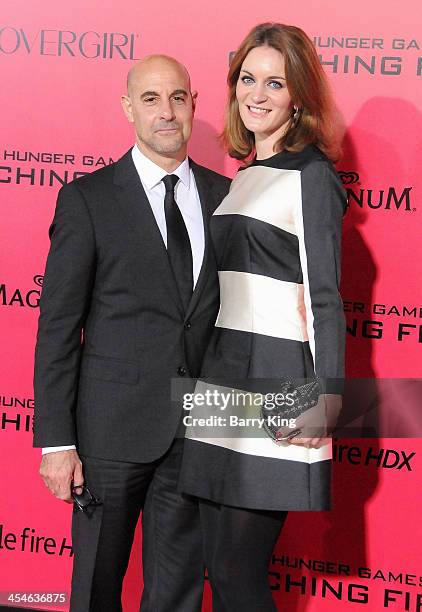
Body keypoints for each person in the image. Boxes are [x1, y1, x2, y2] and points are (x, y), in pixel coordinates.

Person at [33, 54, 230, 612]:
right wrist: (57, 442)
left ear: (194, 104)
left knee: (178, 590)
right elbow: (57, 328)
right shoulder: (89, 199)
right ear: (128, 108)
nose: (166, 112)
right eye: (150, 99)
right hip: (108, 435)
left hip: (196, 430)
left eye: (177, 98)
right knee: (97, 585)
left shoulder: (224, 197)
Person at [178, 23, 346, 611]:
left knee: (241, 574)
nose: (257, 94)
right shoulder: (244, 174)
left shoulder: (314, 177)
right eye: (248, 79)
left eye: (274, 83)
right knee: (219, 570)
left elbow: (326, 298)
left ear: (298, 96)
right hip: (221, 386)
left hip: (278, 384)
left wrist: (323, 397)